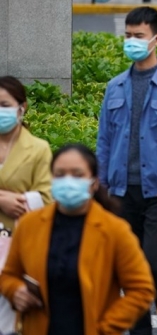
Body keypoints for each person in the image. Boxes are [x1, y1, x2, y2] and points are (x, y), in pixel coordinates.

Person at [96, 6, 157, 335]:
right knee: (130, 270)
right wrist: (101, 187)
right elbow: (105, 140)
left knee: (155, 263)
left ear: (156, 39)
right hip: (121, 192)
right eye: (127, 36)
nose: (131, 42)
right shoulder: (115, 86)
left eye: (138, 36)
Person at [0, 144, 155, 334]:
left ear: (94, 183)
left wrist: (107, 327)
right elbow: (8, 275)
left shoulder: (115, 231)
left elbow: (141, 290)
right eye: (60, 174)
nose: (68, 181)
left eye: (77, 174)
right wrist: (16, 291)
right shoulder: (29, 225)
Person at [0, 76, 52, 333]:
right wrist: (3, 199)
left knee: (15, 322)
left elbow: (45, 199)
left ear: (22, 107)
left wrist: (18, 202)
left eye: (4, 104)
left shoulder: (38, 149)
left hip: (19, 245)